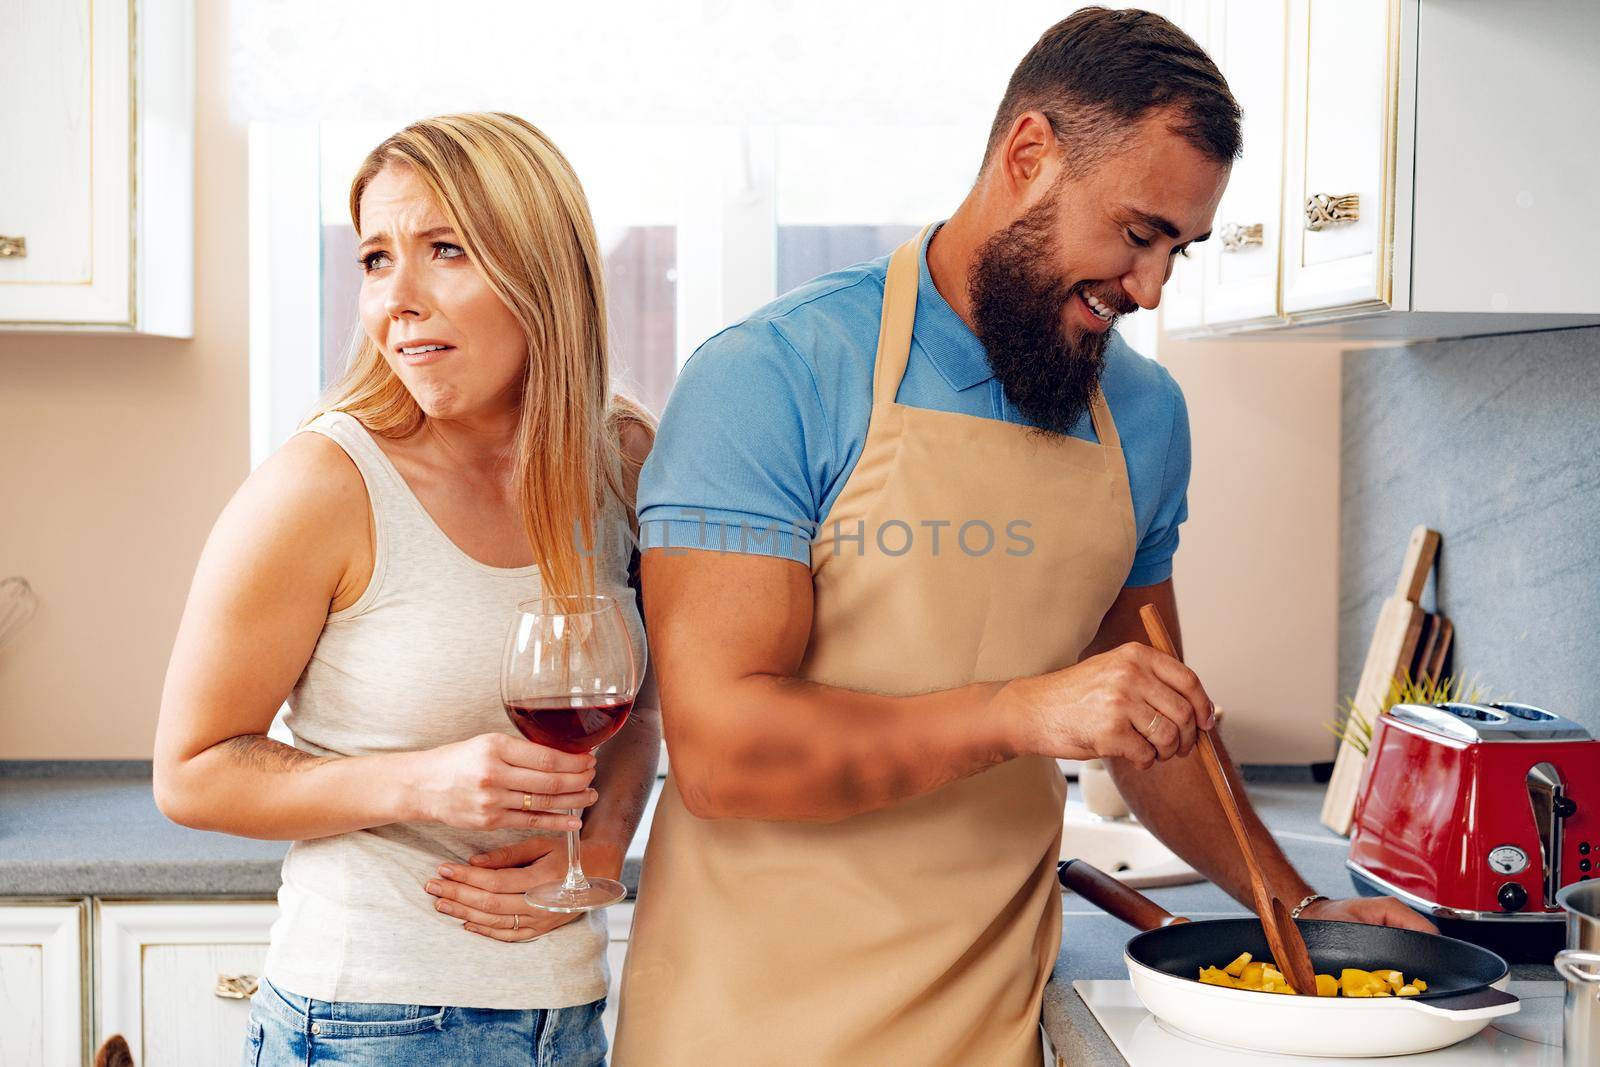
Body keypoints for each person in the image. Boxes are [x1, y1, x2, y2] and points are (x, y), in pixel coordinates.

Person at [612, 9, 1434, 1065]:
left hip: (989, 1024)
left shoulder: (1141, 416)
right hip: (748, 1022)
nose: (1149, 288)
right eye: (1137, 233)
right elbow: (725, 751)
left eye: (1178, 249)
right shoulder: (772, 374)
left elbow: (1154, 724)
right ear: (1029, 155)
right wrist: (1018, 711)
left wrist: (1301, 906)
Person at [153, 112, 659, 1066]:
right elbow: (191, 770)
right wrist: (421, 779)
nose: (399, 299)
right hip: (367, 1021)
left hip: (566, 1011)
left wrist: (593, 861)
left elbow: (636, 713)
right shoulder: (322, 484)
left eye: (445, 250)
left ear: (541, 271)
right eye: (376, 259)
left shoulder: (622, 461)